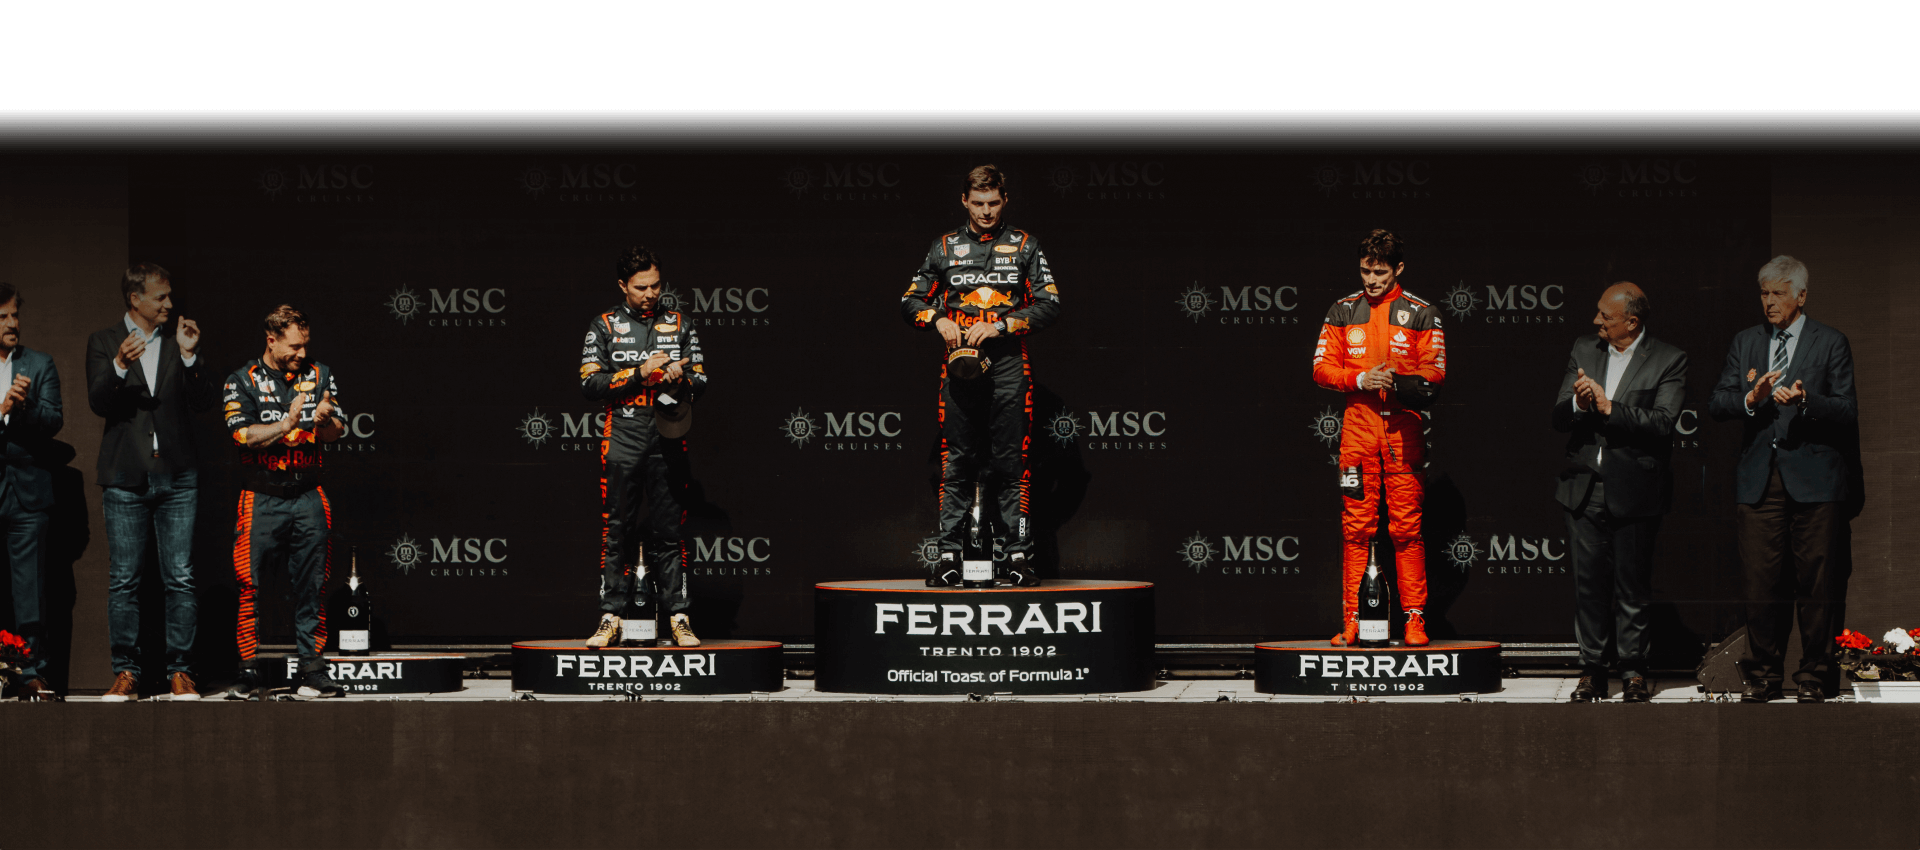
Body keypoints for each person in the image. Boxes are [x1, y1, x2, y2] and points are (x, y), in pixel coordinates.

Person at [900, 164, 1061, 587]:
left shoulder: (1025, 245)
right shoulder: (944, 247)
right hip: (960, 367)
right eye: (977, 204)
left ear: (1004, 200)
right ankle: (948, 558)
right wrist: (937, 319)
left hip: (1008, 367)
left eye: (993, 203)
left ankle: (1018, 558)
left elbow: (1050, 304)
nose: (986, 212)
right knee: (957, 463)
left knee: (1011, 464)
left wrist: (1003, 325)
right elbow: (910, 300)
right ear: (964, 201)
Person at [1708, 255, 1857, 703]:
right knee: (1761, 586)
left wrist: (1808, 401)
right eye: (1764, 293)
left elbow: (1847, 410)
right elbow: (1718, 402)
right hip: (1760, 482)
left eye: (1778, 293)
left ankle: (1814, 677)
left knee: (1817, 586)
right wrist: (1750, 399)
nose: (1768, 302)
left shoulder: (1831, 342)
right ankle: (1763, 677)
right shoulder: (1746, 341)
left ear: (1801, 296)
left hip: (1816, 482)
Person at [1552, 283, 1687, 704]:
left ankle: (1632, 670)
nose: (1597, 321)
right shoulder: (1584, 349)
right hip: (1584, 488)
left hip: (1635, 488)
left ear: (1631, 322)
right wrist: (1579, 404)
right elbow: (1558, 416)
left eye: (1605, 317)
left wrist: (1610, 407)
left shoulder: (1668, 359)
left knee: (1632, 587)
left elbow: (1663, 423)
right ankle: (1592, 670)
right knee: (1589, 587)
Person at [86, 263, 214, 702]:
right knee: (125, 579)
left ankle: (181, 672)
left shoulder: (178, 342)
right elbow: (98, 402)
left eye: (169, 296)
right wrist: (120, 365)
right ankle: (127, 672)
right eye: (161, 297)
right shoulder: (104, 341)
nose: (169, 304)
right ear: (134, 299)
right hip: (125, 477)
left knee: (180, 577)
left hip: (177, 477)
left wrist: (191, 357)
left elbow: (203, 402)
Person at [1310, 230, 1444, 647]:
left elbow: (1435, 374)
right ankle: (1351, 621)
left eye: (1380, 272)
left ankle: (1415, 620)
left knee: (1406, 530)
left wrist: (1397, 381)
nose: (1371, 280)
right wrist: (1360, 379)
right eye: (1365, 271)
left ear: (1398, 269)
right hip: (1357, 434)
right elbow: (1320, 368)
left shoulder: (1422, 312)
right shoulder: (1342, 310)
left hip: (1404, 434)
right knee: (1356, 530)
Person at [580, 247, 709, 649]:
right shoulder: (604, 325)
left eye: (656, 285)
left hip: (668, 436)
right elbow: (589, 384)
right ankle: (610, 617)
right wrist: (640, 372)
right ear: (623, 286)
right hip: (623, 436)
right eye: (641, 287)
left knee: (669, 532)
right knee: (617, 529)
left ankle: (678, 617)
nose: (651, 293)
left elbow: (702, 380)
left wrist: (680, 377)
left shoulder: (680, 323)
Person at [220, 306, 349, 699]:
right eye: (294, 347)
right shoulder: (241, 380)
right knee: (250, 586)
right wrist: (287, 425)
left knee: (313, 585)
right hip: (261, 496)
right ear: (271, 340)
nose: (301, 353)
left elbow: (337, 432)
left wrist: (325, 421)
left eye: (305, 345)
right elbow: (243, 436)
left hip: (308, 495)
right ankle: (248, 670)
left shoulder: (320, 374)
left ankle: (313, 669)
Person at [0, 284, 63, 701]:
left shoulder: (39, 364)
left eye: (15, 315)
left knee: (30, 591)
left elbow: (54, 420)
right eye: (2, 317)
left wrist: (24, 408)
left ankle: (30, 672)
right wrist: (2, 409)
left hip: (27, 493)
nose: (12, 324)